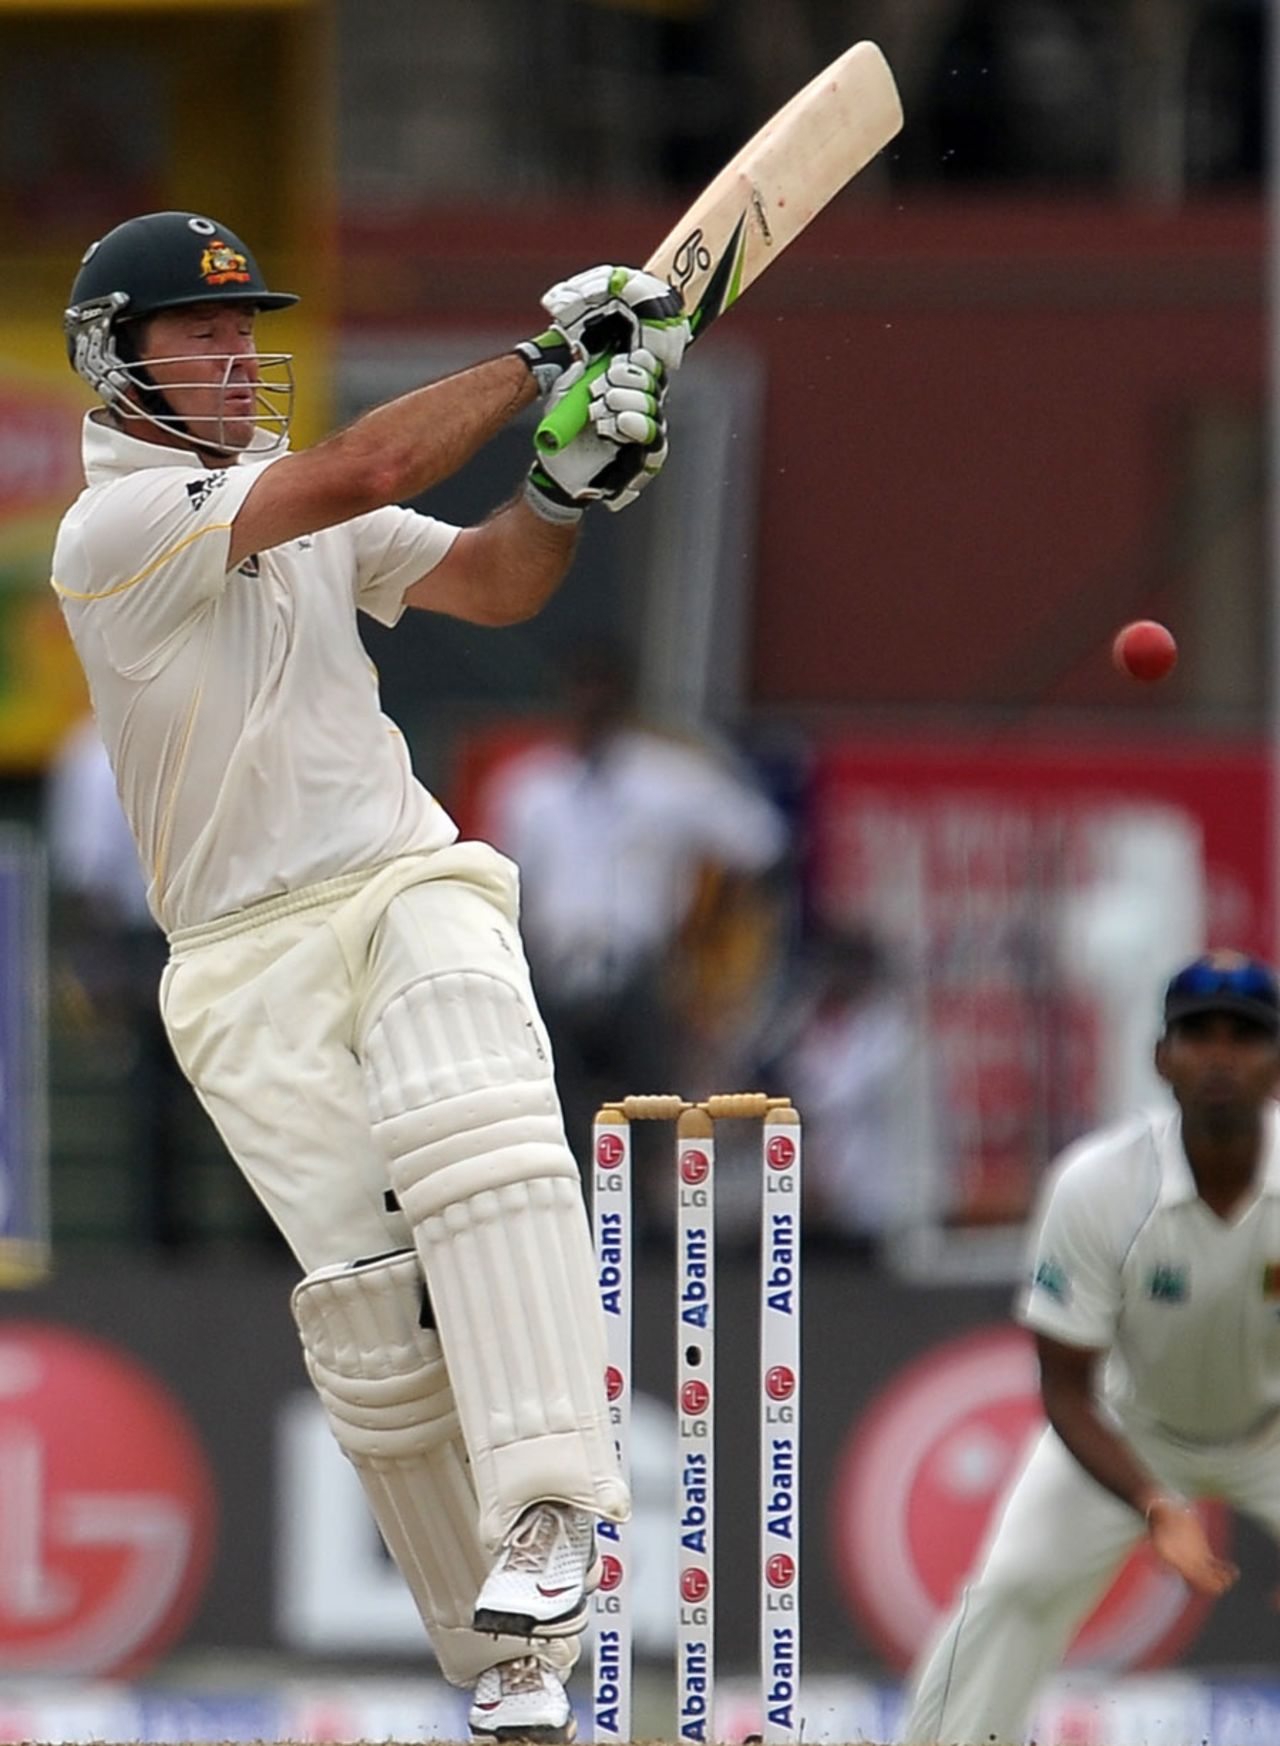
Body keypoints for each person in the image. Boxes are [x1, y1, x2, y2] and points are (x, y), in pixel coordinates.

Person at [53, 209, 692, 1742]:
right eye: (197, 331)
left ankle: (553, 1517)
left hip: (403, 876)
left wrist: (559, 486)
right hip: (234, 963)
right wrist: (553, 361)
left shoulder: (298, 508)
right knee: (369, 1316)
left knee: (477, 1118)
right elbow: (373, 470)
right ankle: (508, 1663)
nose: (231, 351)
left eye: (240, 325)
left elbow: (488, 581)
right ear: (114, 361)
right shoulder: (116, 527)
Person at [897, 948, 1280, 1746]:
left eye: (1243, 1038)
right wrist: (1153, 1505)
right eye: (1198, 1035)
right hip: (1133, 1424)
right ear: (1161, 1059)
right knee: (1013, 1590)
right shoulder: (1101, 1184)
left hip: (1273, 1430)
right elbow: (1066, 1388)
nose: (1220, 1058)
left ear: (1275, 1064)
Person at [477, 640, 788, 1200]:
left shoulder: (672, 778)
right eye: (579, 695)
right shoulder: (530, 787)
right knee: (547, 1099)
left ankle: (648, 1211)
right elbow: (500, 885)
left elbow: (763, 846)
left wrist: (717, 943)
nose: (589, 709)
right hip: (554, 964)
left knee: (650, 1099)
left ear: (624, 701)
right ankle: (565, 1207)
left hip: (643, 965)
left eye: (602, 696)